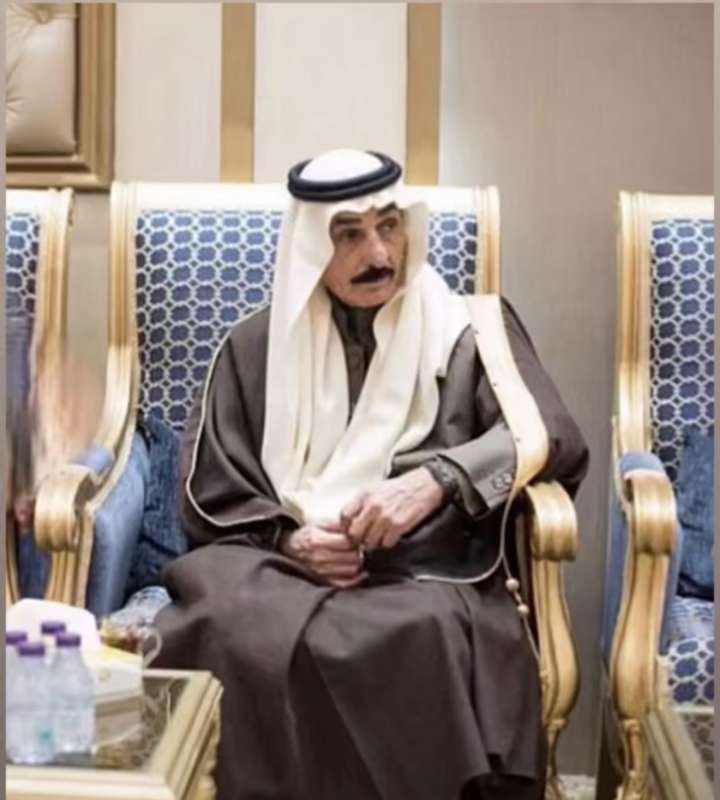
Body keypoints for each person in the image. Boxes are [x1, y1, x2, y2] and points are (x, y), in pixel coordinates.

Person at [155, 149, 589, 800]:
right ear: (311, 247)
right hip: (283, 566)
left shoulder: (474, 330)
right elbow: (212, 485)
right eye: (349, 235)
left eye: (389, 226)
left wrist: (438, 479)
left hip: (423, 566)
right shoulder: (254, 347)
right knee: (227, 619)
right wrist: (291, 540)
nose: (378, 253)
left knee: (418, 632)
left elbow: (547, 433)